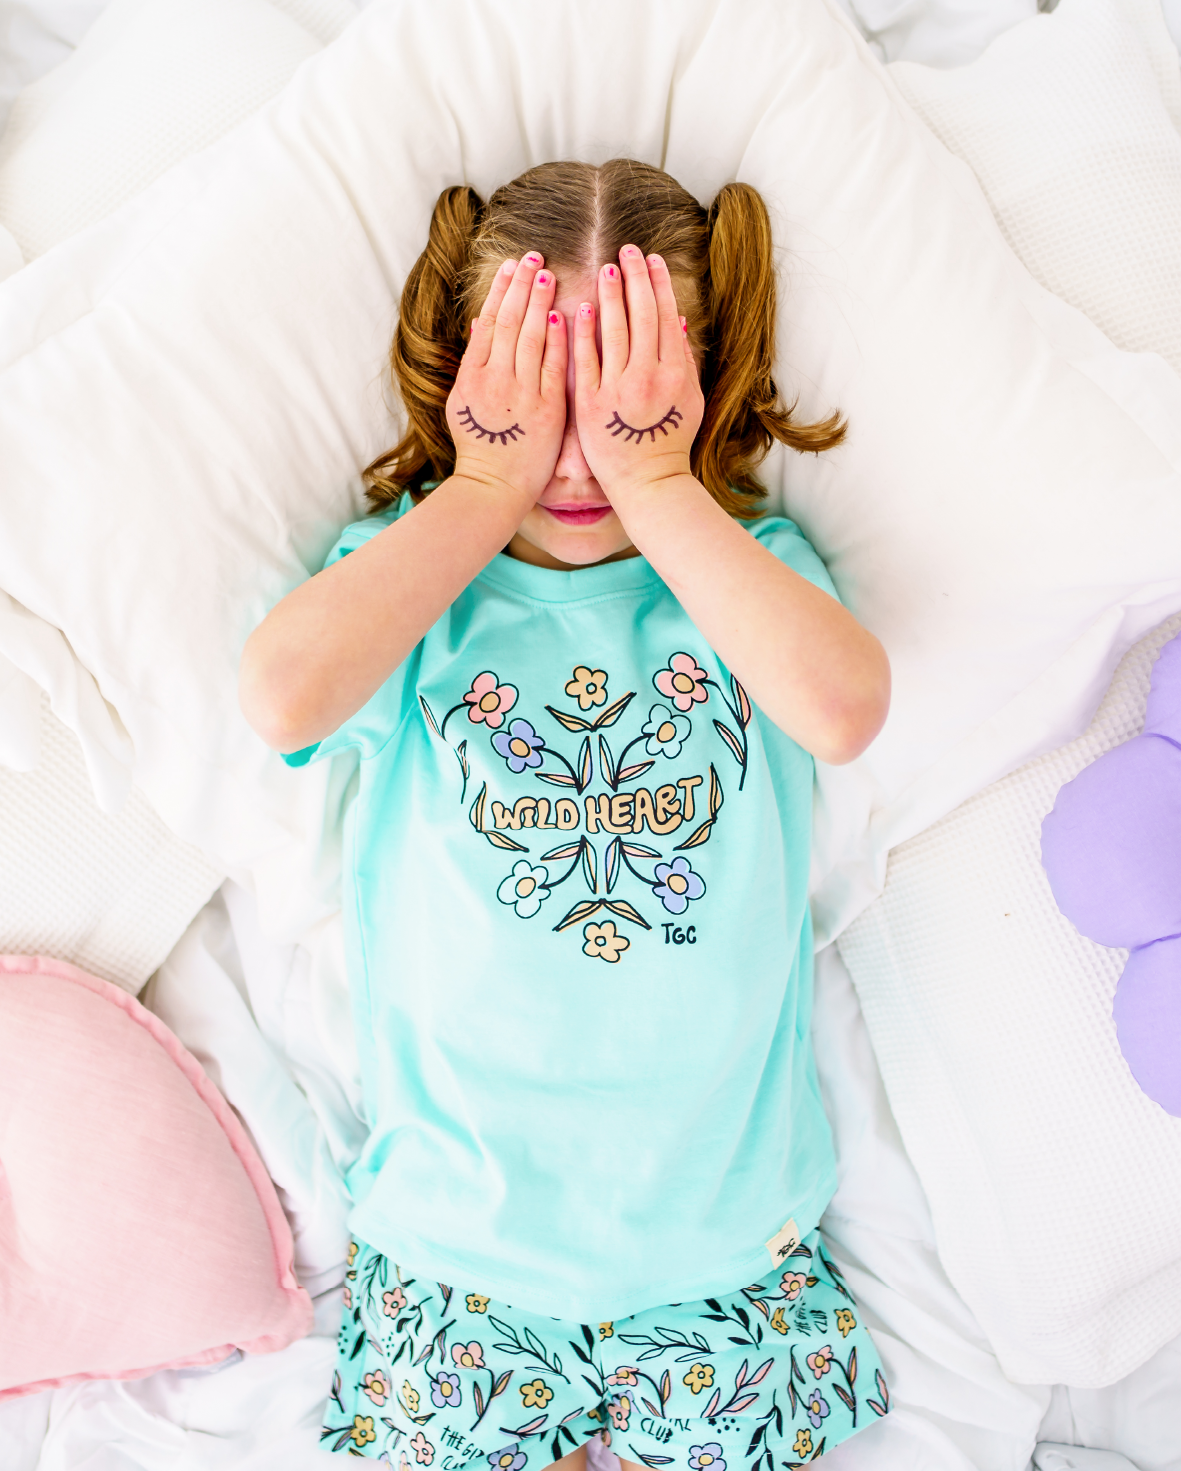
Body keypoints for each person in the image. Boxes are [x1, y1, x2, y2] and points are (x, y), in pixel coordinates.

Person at [240, 159, 892, 1470]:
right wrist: (480, 493)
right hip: (455, 1248)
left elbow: (841, 709)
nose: (584, 450)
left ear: (695, 382)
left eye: (628, 395)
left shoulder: (737, 580)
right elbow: (281, 694)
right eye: (544, 390)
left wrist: (664, 489)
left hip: (729, 1245)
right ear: (470, 380)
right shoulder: (421, 590)